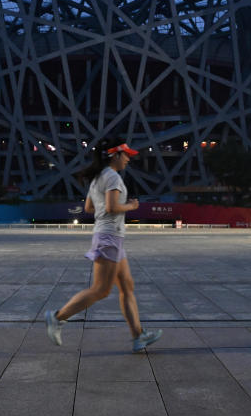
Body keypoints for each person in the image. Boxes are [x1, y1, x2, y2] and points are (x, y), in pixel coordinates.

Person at [45, 141, 163, 353]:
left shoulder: (98, 177)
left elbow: (89, 207)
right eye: (125, 155)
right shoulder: (112, 177)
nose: (128, 159)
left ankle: (138, 336)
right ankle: (58, 317)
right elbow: (111, 207)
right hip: (109, 237)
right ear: (115, 155)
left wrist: (106, 210)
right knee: (100, 290)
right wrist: (131, 206)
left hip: (109, 236)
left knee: (127, 286)